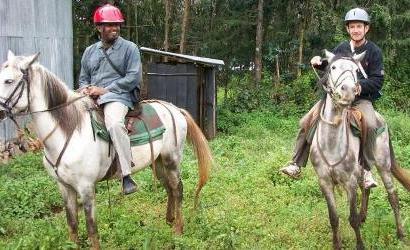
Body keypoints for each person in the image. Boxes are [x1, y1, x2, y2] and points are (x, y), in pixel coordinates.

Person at [280, 8, 384, 189]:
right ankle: (296, 163)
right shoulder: (342, 48)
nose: (356, 30)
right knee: (307, 120)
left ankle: (366, 171)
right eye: (352, 27)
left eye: (359, 26)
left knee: (371, 123)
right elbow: (331, 68)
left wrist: (360, 86)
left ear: (366, 28)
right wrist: (318, 62)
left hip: (360, 99)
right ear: (348, 29)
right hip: (336, 99)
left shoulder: (374, 51)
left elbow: (377, 80)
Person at [79, 4, 142, 195]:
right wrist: (84, 89)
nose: (115, 28)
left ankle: (126, 175)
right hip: (92, 96)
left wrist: (105, 90)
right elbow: (83, 77)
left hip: (119, 96)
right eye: (110, 25)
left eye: (117, 24)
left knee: (114, 123)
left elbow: (133, 78)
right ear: (99, 27)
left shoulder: (130, 49)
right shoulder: (89, 51)